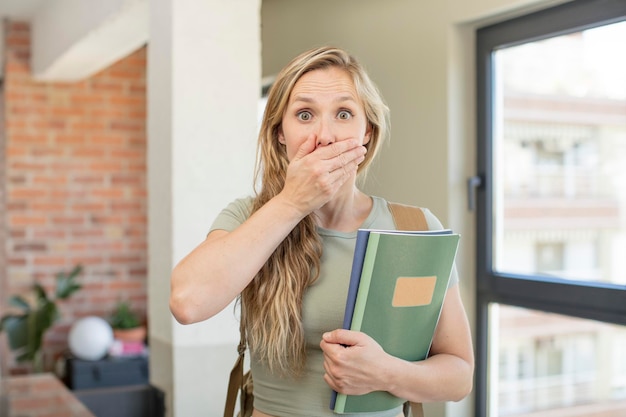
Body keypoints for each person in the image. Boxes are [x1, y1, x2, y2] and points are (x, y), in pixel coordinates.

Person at [170, 46, 474, 417]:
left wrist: (386, 373)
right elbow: (187, 302)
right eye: (304, 114)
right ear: (280, 133)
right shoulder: (248, 217)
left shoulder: (416, 228)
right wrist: (293, 203)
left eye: (344, 114)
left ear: (367, 133)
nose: (325, 135)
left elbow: (459, 376)